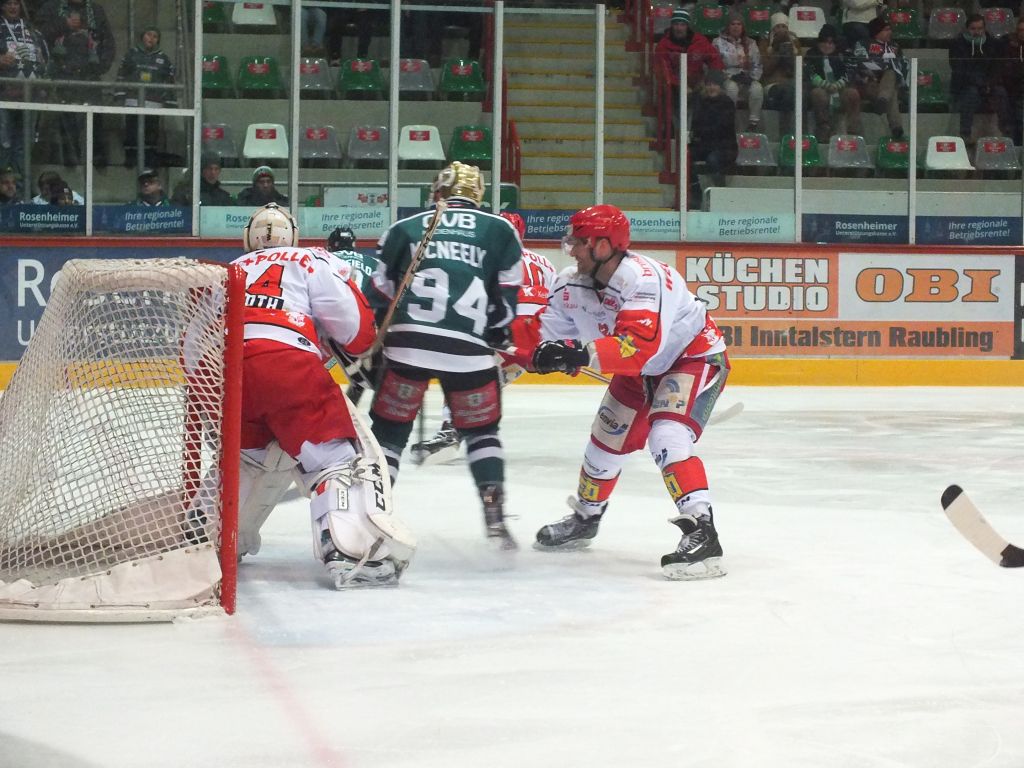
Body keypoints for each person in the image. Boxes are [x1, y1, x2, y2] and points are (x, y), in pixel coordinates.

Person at [520, 204, 730, 580]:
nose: (572, 249)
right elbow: (539, 337)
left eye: (580, 242)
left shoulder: (645, 279)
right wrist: (497, 344)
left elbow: (637, 348)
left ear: (603, 246)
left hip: (690, 358)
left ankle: (703, 531)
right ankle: (586, 518)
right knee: (605, 440)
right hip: (639, 370)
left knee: (667, 435)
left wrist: (576, 353)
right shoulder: (570, 285)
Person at [230, 202, 416, 588]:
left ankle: (213, 541)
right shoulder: (310, 259)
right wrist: (363, 347)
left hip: (230, 378)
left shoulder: (228, 271)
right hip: (288, 365)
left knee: (246, 461)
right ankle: (351, 554)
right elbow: (352, 327)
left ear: (248, 238)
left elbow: (194, 345)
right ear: (293, 236)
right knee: (335, 460)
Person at [367, 162, 523, 550]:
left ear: (437, 192)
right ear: (478, 195)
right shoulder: (500, 230)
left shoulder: (405, 227)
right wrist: (495, 332)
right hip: (469, 353)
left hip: (407, 345)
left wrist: (378, 342)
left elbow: (379, 293)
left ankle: (371, 513)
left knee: (389, 434)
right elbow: (505, 302)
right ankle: (494, 508)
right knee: (482, 433)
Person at [408, 211, 558, 466]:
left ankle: (452, 429)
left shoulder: (487, 256)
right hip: (539, 335)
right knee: (486, 379)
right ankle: (470, 427)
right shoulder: (545, 262)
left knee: (462, 370)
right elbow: (555, 304)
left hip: (508, 332)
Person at [35, 0, 115, 167]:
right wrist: (63, 24)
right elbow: (38, 36)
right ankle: (69, 157)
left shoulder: (96, 10)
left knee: (96, 118)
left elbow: (108, 42)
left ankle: (98, 158)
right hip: (60, 74)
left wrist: (100, 67)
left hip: (89, 75)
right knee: (65, 119)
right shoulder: (51, 7)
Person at [114, 26, 175, 169]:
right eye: (149, 34)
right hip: (133, 101)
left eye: (155, 36)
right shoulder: (131, 55)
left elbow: (169, 81)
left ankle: (149, 158)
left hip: (154, 103)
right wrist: (120, 94)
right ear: (142, 36)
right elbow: (122, 75)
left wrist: (170, 101)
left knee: (151, 132)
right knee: (131, 130)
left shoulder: (164, 59)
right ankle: (131, 156)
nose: (151, 38)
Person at [0, 0, 48, 176]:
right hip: (3, 97)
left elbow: (46, 62)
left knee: (25, 145)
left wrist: (42, 67)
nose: (13, 7)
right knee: (3, 142)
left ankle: (19, 188)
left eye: (16, 3)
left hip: (30, 96)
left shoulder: (33, 32)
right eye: (8, 3)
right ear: (2, 6)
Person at [950, 13, 1012, 146]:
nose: (977, 32)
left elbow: (997, 68)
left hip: (987, 85)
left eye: (980, 28)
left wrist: (989, 83)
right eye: (973, 28)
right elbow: (959, 70)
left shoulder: (993, 44)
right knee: (971, 93)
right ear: (967, 29)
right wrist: (980, 83)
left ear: (984, 28)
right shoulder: (957, 45)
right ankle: (965, 133)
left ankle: (1006, 129)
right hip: (965, 86)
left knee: (1001, 92)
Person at [654, 8, 723, 119]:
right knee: (670, 96)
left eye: (682, 24)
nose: (679, 28)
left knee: (710, 96)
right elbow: (662, 71)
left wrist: (712, 80)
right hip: (674, 86)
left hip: (698, 83)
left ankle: (702, 127)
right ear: (671, 25)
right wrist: (680, 85)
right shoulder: (663, 45)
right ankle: (674, 126)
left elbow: (715, 59)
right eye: (676, 24)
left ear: (687, 26)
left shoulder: (699, 41)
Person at [689, 69, 738, 209]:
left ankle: (720, 195)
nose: (711, 88)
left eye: (715, 84)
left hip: (725, 147)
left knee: (713, 159)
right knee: (686, 156)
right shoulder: (701, 102)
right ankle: (696, 195)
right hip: (705, 145)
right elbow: (696, 126)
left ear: (721, 86)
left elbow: (722, 128)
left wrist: (703, 131)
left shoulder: (727, 103)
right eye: (709, 84)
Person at [805, 24, 862, 143]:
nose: (827, 46)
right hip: (820, 88)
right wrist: (825, 84)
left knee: (852, 94)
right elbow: (809, 73)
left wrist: (838, 84)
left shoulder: (844, 54)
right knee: (818, 94)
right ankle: (824, 128)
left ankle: (853, 132)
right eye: (824, 42)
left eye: (831, 43)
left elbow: (851, 71)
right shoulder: (811, 54)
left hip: (840, 89)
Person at [853, 17, 907, 139]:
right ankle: (896, 127)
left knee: (891, 73)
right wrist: (884, 66)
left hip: (888, 83)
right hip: (868, 83)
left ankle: (882, 100)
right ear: (877, 31)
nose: (890, 32)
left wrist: (883, 66)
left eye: (890, 29)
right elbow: (861, 63)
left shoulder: (895, 46)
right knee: (891, 92)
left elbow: (901, 66)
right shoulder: (863, 43)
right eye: (886, 29)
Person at [713, 11, 764, 131]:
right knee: (732, 88)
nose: (736, 27)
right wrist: (727, 76)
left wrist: (752, 78)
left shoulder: (751, 43)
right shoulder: (718, 42)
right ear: (728, 26)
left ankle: (753, 123)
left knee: (757, 88)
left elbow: (757, 65)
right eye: (733, 24)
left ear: (743, 27)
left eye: (739, 24)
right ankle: (729, 121)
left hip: (746, 78)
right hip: (727, 77)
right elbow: (715, 65)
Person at [760, 12, 802, 135]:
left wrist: (789, 53)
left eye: (784, 27)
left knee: (801, 93)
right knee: (787, 93)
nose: (781, 30)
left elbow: (798, 68)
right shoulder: (764, 43)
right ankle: (785, 134)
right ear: (772, 29)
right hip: (771, 84)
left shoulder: (794, 43)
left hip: (791, 82)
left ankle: (802, 134)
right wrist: (777, 52)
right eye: (778, 27)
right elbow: (766, 70)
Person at [1003, 18, 1024, 145]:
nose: (1022, 33)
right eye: (1020, 30)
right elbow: (1007, 70)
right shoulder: (1009, 47)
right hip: (1013, 90)